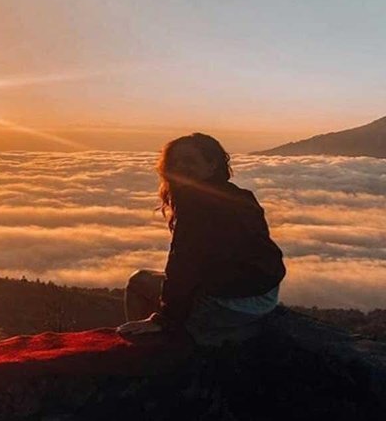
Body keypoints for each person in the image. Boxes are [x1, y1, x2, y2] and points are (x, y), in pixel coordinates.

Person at [116, 133, 286, 344]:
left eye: (189, 161)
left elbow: (184, 264)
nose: (179, 166)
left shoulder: (195, 203)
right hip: (264, 299)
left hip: (228, 306)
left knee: (138, 281)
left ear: (212, 165)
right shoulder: (241, 195)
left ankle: (148, 350)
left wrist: (164, 319)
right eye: (174, 161)